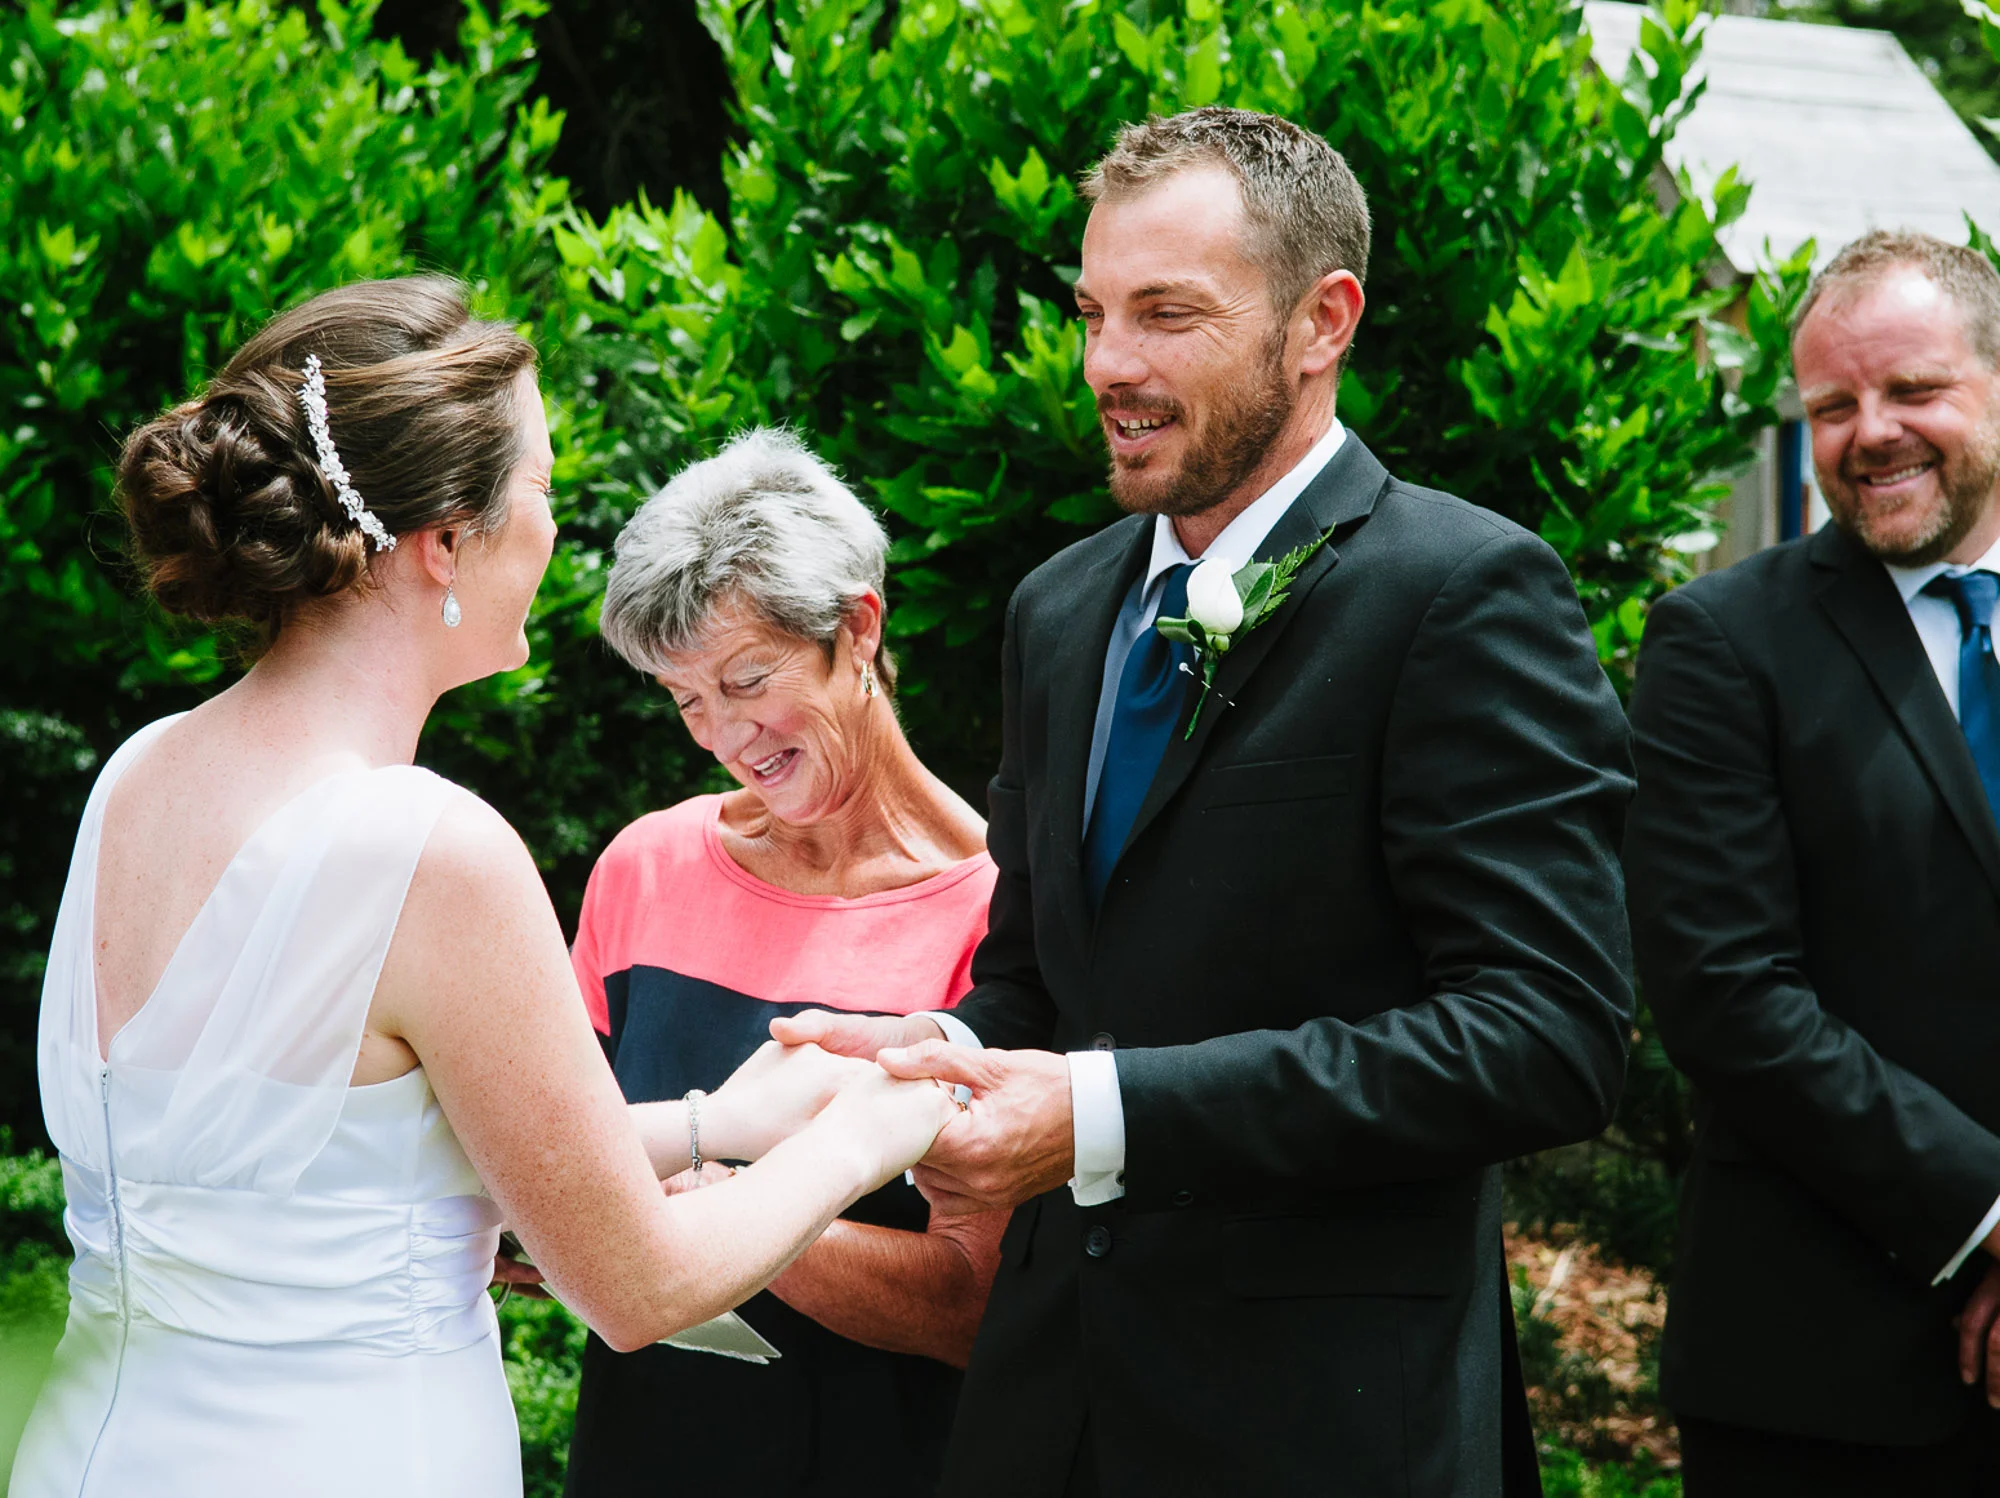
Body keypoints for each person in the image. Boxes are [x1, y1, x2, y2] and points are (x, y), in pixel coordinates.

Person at [779, 106, 1636, 1497]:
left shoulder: (1463, 594)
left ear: (1322, 321)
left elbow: (1545, 1038)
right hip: (1049, 1407)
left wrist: (1104, 1117)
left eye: (1166, 314)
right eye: (1094, 311)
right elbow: (1044, 986)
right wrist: (929, 1055)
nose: (1108, 363)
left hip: (1325, 1427)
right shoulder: (1059, 609)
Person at [8, 277, 955, 1498]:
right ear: (446, 541)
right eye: (544, 491)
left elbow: (319, 1153)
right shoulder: (429, 850)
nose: (556, 528)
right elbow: (640, 1285)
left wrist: (722, 1121)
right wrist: (878, 1122)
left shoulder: (139, 775)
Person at [560, 428, 1008, 1497]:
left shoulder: (1001, 919)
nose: (722, 734)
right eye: (685, 698)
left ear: (857, 632)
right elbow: (549, 1180)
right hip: (639, 1459)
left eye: (746, 678)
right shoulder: (645, 868)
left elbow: (973, 1306)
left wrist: (707, 1212)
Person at [1625, 230, 2000, 1494]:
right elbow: (1727, 998)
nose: (1868, 431)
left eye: (1911, 389)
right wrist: (1990, 1220)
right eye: (1830, 404)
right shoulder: (1720, 645)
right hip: (1819, 1381)